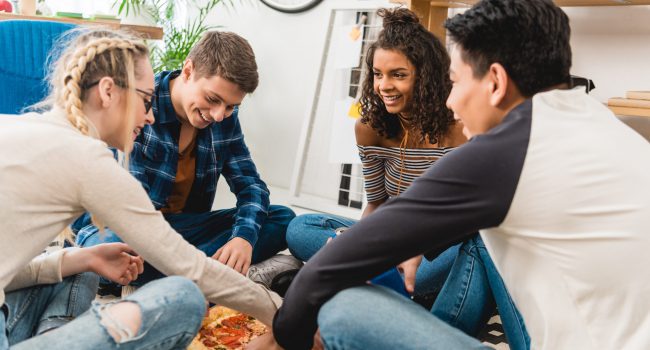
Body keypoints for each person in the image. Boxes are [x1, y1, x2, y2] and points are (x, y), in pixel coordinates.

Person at [267, 0, 650, 349]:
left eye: (455, 81)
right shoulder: (603, 122)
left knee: (344, 310)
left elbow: (325, 273)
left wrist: (286, 337)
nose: (450, 99)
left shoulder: (509, 150)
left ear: (495, 82)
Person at [0, 28, 282, 349]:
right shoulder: (87, 158)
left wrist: (82, 259)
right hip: (147, 236)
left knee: (77, 263)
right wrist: (283, 312)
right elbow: (188, 266)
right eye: (145, 101)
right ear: (108, 91)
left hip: (167, 233)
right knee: (183, 294)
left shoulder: (14, 125)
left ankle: (52, 333)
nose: (149, 116)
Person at [73, 30, 300, 294]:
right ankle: (213, 274)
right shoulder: (142, 103)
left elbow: (251, 186)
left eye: (230, 106)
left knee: (282, 218)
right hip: (127, 227)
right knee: (105, 246)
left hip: (184, 229)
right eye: (213, 99)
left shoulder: (224, 120)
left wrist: (242, 239)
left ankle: (181, 276)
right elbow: (132, 210)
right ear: (188, 70)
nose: (218, 115)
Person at [286, 7, 466, 300]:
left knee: (437, 267)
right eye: (378, 74)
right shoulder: (369, 129)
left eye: (398, 75)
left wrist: (409, 245)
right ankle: (378, 280)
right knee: (299, 228)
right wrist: (359, 241)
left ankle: (359, 277)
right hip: (387, 236)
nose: (384, 86)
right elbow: (376, 204)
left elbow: (459, 219)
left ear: (427, 77)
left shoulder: (458, 130)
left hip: (436, 243)